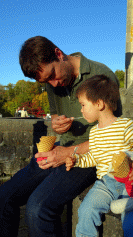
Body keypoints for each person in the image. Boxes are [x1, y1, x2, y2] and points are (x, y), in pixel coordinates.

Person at [0, 36, 123, 237]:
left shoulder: (101, 75)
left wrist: (69, 152)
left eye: (53, 76)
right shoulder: (52, 84)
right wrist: (57, 127)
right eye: (47, 81)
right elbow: (56, 119)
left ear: (59, 54)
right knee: (5, 196)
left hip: (89, 156)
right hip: (60, 150)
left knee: (38, 209)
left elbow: (114, 134)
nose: (54, 84)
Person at [65, 74, 133, 237]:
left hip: (130, 182)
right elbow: (94, 157)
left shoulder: (126, 125)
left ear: (99, 104)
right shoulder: (94, 132)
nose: (81, 110)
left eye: (83, 105)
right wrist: (77, 160)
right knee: (86, 210)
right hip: (105, 183)